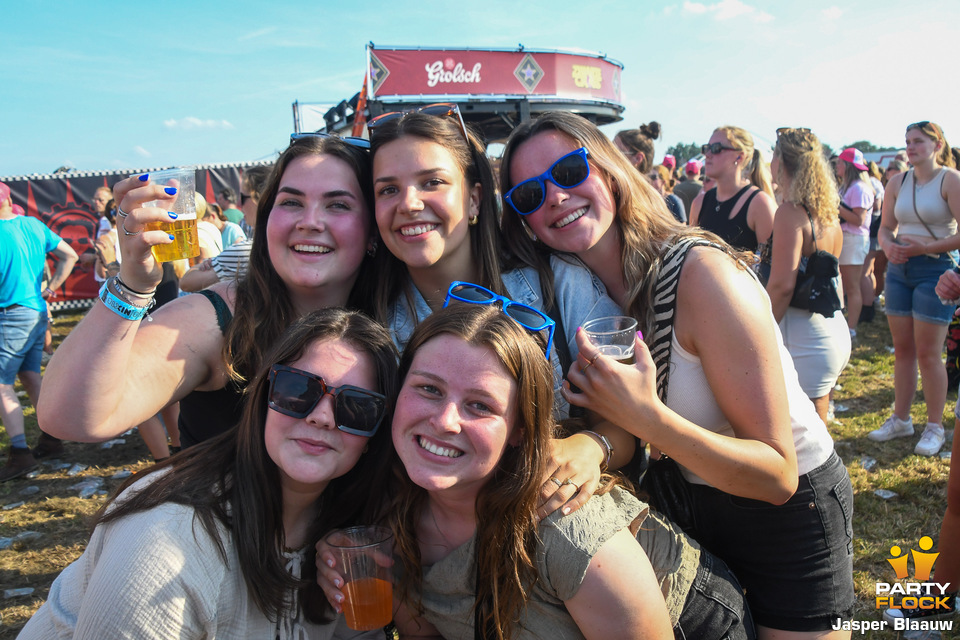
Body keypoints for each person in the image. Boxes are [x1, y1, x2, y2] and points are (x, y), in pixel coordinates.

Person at [499, 111, 855, 638]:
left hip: (789, 515)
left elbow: (777, 475)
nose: (553, 196)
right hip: (692, 508)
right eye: (529, 194)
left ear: (611, 169)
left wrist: (645, 417)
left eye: (570, 171)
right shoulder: (579, 295)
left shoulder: (702, 274)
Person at [322, 304, 757, 639]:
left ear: (519, 430)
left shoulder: (564, 524)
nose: (445, 421)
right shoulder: (390, 519)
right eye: (428, 389)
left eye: (480, 405)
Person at [19, 308, 396, 639]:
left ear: (375, 434)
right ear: (264, 396)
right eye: (298, 389)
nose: (321, 416)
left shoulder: (350, 543)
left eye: (356, 406)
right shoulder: (166, 542)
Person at [365, 104, 628, 517]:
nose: (410, 203)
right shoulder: (372, 326)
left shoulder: (556, 283)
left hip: (561, 533)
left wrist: (591, 447)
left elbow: (630, 419)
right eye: (388, 189)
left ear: (473, 199)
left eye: (431, 182)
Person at [38, 135, 378, 450]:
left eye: (338, 205)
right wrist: (131, 287)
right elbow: (68, 417)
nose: (310, 222)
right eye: (290, 202)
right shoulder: (218, 317)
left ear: (372, 230)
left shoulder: (401, 317)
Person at [872, 121, 960, 457]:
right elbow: (885, 228)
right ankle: (901, 419)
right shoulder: (897, 181)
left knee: (928, 353)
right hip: (898, 270)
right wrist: (888, 246)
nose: (910, 147)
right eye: (907, 141)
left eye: (918, 141)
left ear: (937, 144)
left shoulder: (950, 180)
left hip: (936, 269)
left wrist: (923, 248)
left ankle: (935, 426)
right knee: (903, 350)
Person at [765, 128, 850, 423]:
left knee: (809, 447)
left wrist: (760, 330)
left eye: (773, 155)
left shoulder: (790, 213)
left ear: (782, 161)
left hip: (803, 337)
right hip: (832, 328)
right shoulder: (827, 212)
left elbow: (781, 286)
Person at [0, 181, 78, 481]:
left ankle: (20, 454)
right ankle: (51, 438)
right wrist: (50, 289)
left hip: (10, 314)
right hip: (35, 311)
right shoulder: (32, 225)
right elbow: (69, 255)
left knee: (2, 385)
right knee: (31, 377)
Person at [179, 165, 269, 293]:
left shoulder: (249, 251)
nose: (239, 204)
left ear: (259, 199)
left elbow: (187, 282)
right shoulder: (281, 247)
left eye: (243, 198)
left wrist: (207, 264)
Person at [689, 127, 776, 255]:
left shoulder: (760, 204)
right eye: (706, 148)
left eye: (716, 149)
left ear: (739, 157)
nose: (707, 154)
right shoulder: (699, 203)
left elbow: (770, 266)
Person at [834, 147, 875, 340]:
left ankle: (851, 328)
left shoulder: (859, 188)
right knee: (842, 284)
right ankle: (844, 325)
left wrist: (836, 204)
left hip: (854, 239)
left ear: (847, 166)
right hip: (846, 238)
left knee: (852, 286)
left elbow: (858, 219)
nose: (836, 166)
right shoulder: (848, 187)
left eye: (840, 163)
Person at [859, 161, 886, 324]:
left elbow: (877, 207)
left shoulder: (872, 183)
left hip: (872, 231)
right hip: (870, 230)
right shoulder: (870, 183)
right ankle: (868, 306)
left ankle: (868, 308)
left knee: (867, 271)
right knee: (867, 271)